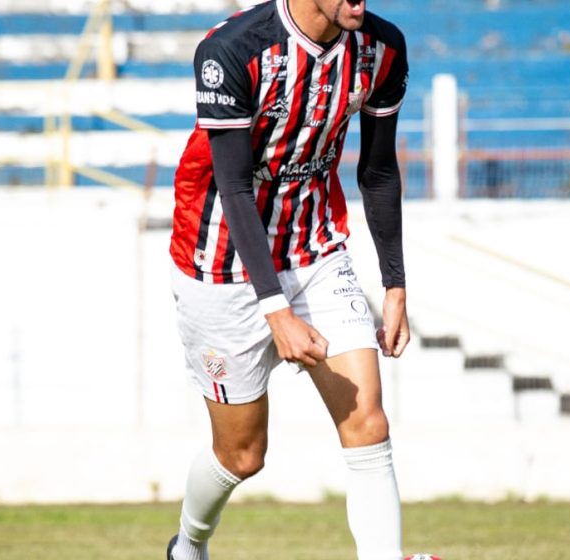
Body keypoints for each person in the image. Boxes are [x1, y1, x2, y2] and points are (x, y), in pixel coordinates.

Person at [168, 1, 410, 558]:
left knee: (367, 422)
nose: (361, 2)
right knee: (242, 455)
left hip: (314, 248)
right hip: (220, 261)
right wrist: (276, 311)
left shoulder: (382, 49)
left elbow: (377, 170)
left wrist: (394, 284)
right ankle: (187, 546)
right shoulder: (232, 50)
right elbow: (232, 190)